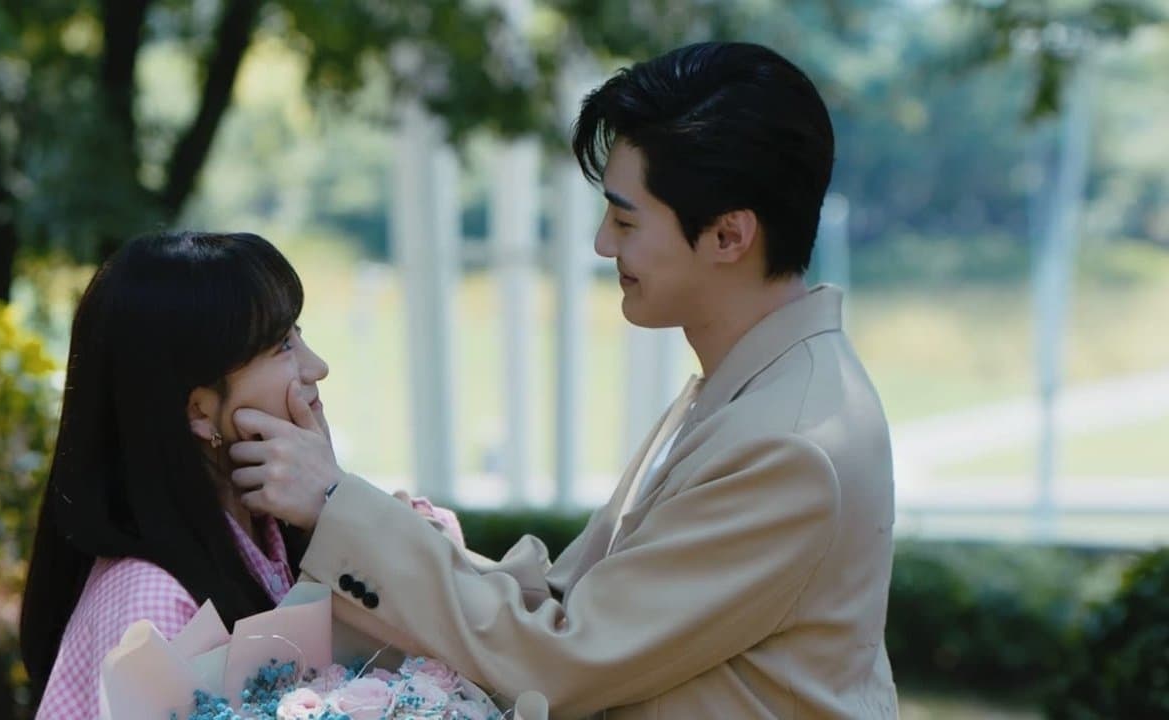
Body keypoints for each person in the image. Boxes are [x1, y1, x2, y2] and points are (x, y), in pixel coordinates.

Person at [230, 42, 898, 719]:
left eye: (626, 220)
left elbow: (561, 658)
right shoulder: (752, 391)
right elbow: (570, 602)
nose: (604, 244)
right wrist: (382, 526)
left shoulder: (786, 445)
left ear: (729, 237)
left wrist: (337, 505)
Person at [18, 231, 332, 718]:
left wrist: (332, 502)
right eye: (283, 345)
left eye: (299, 332)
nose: (317, 367)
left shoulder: (275, 529)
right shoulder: (154, 603)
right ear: (199, 411)